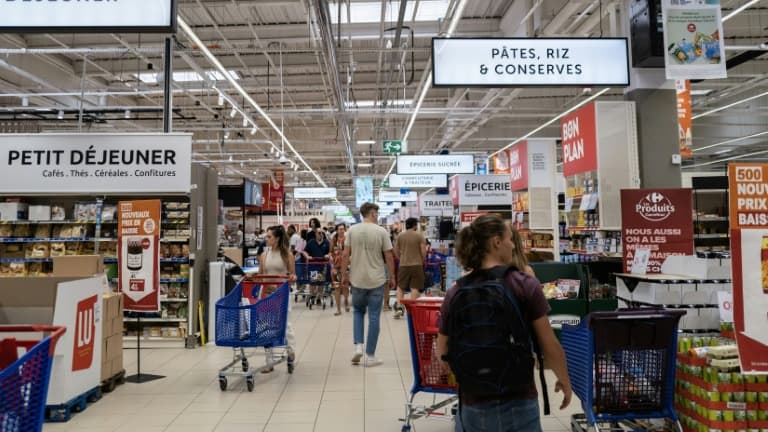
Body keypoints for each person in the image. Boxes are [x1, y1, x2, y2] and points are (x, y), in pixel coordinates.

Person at [437, 214, 572, 432]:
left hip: (472, 403)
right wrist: (564, 379)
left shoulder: (456, 291)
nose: (513, 246)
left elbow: (441, 351)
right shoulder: (525, 284)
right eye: (510, 239)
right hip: (518, 399)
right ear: (496, 242)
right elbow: (549, 345)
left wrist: (475, 374)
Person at [341, 203, 395, 367]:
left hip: (357, 279)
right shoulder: (381, 231)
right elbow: (389, 256)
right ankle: (370, 356)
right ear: (372, 213)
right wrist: (392, 276)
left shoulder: (351, 231)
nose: (377, 216)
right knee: (374, 317)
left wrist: (344, 274)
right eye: (376, 213)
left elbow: (345, 254)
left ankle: (358, 346)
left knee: (358, 312)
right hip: (376, 280)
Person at [258, 225, 297, 372]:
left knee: (285, 324)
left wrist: (292, 278)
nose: (266, 239)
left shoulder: (287, 255)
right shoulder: (264, 255)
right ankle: (269, 361)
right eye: (266, 237)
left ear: (277, 238)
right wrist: (254, 278)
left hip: (282, 293)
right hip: (266, 293)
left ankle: (290, 350)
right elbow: (261, 274)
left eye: (269, 237)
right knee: (265, 326)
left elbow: (292, 276)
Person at [393, 218, 426, 318]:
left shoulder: (400, 236)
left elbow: (395, 250)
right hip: (417, 264)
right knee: (414, 287)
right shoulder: (419, 235)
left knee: (400, 287)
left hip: (403, 264)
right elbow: (423, 251)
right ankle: (412, 310)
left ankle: (399, 307)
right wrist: (422, 260)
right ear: (414, 225)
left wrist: (400, 258)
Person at [303, 229, 330, 303]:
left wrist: (328, 255)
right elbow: (304, 251)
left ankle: (319, 297)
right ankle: (312, 296)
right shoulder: (311, 242)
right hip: (313, 265)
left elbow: (331, 252)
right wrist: (307, 256)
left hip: (322, 265)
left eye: (322, 233)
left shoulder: (326, 242)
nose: (321, 234)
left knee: (321, 282)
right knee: (313, 282)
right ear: (315, 234)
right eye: (319, 233)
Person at [330, 223, 350, 316]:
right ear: (336, 230)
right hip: (336, 266)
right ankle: (338, 309)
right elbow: (330, 252)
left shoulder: (348, 240)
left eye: (343, 229)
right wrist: (330, 257)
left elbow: (351, 252)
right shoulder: (333, 240)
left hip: (346, 266)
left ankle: (346, 301)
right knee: (336, 287)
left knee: (345, 286)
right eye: (340, 229)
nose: (342, 231)